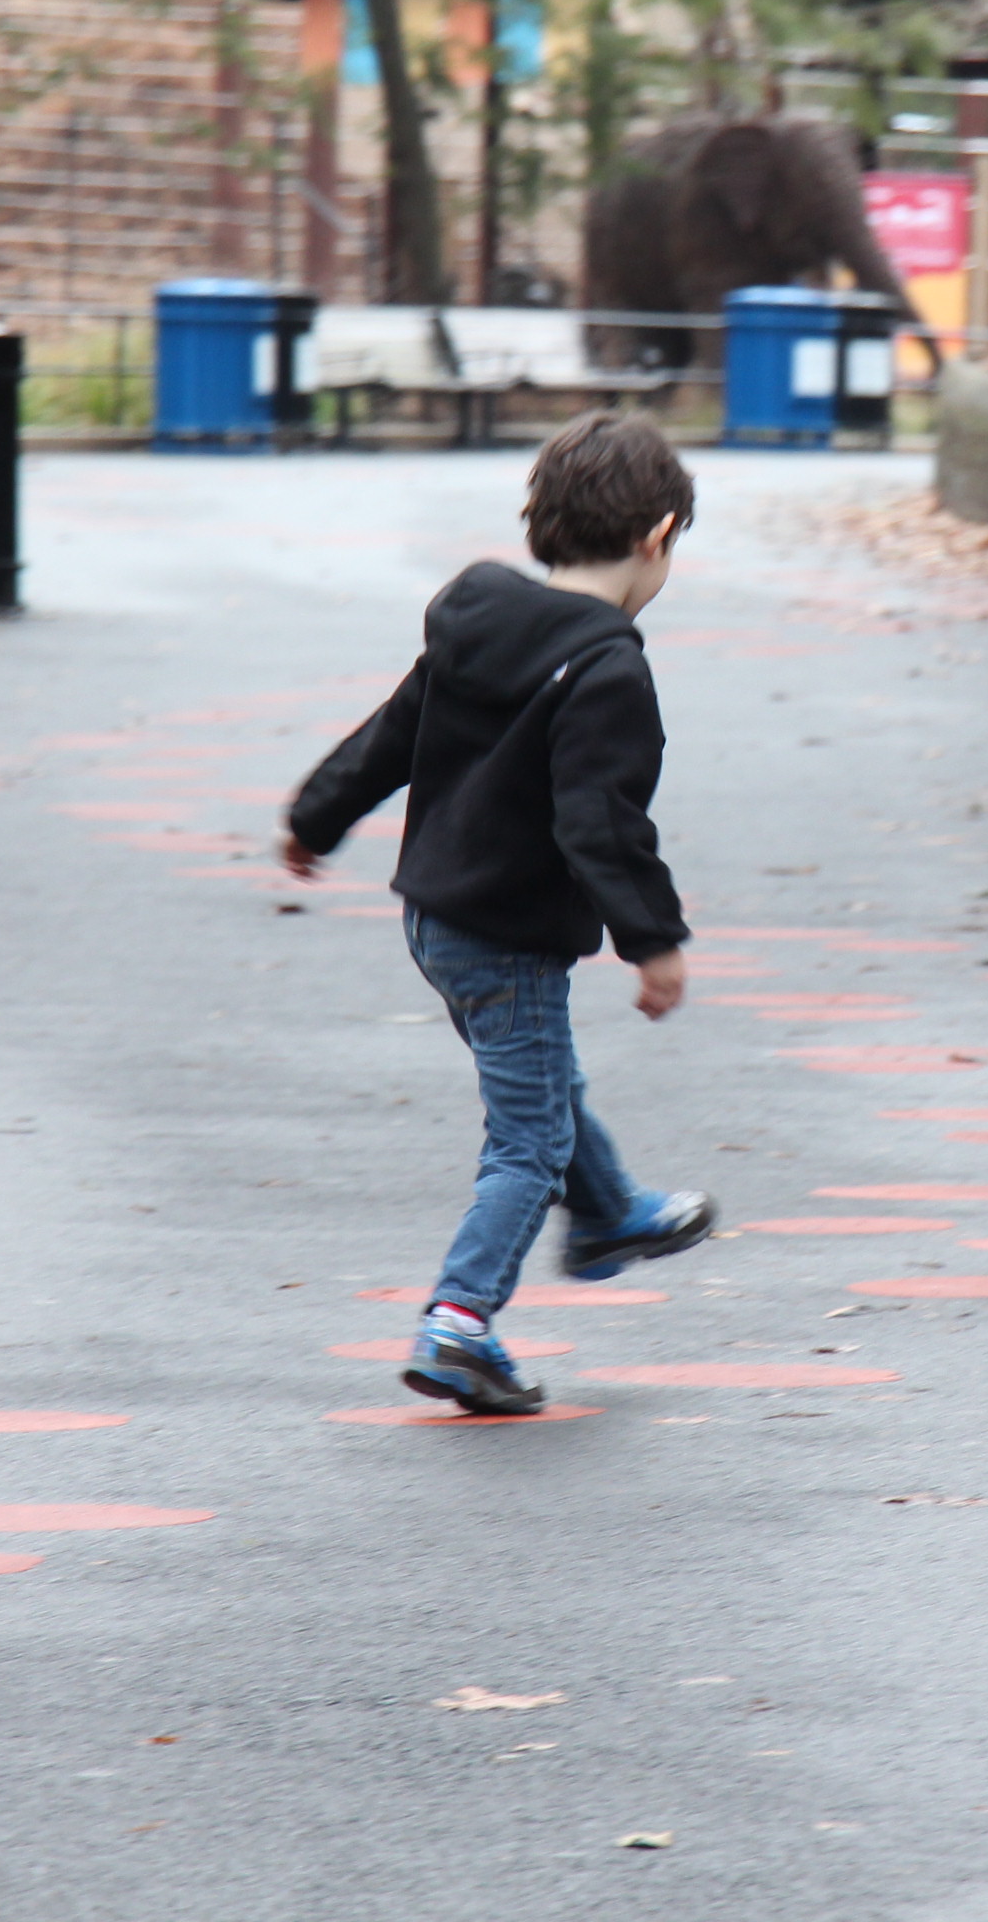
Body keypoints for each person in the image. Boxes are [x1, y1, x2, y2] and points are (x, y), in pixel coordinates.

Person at [281, 413, 716, 1415]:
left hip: (436, 916)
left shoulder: (476, 619)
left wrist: (318, 812)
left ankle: (610, 1214)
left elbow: (394, 732)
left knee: (547, 1088)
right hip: (506, 934)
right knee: (526, 1144)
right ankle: (460, 1322)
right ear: (657, 537)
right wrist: (654, 942)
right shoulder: (609, 669)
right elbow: (600, 825)